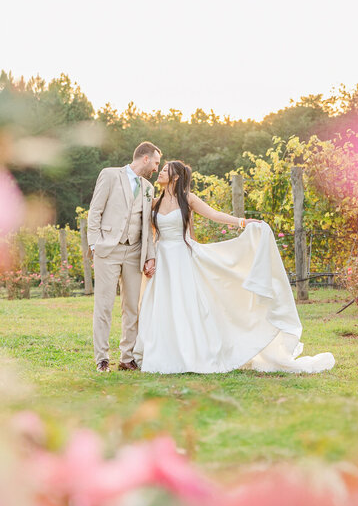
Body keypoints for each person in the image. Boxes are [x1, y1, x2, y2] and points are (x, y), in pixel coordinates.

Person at [133, 160, 335, 374]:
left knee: (187, 304)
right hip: (162, 259)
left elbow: (214, 215)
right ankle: (162, 353)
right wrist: (150, 257)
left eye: (165, 170)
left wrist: (242, 222)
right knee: (161, 305)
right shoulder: (154, 202)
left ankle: (192, 353)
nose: (160, 172)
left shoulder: (187, 199)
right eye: (161, 169)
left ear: (175, 177)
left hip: (183, 258)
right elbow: (150, 234)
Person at [87, 141, 160, 372]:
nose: (157, 169)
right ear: (145, 159)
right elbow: (95, 211)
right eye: (156, 163)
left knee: (132, 307)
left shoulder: (149, 188)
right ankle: (102, 358)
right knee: (104, 305)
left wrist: (150, 255)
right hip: (107, 250)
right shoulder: (109, 175)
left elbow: (147, 226)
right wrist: (95, 244)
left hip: (134, 252)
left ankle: (127, 357)